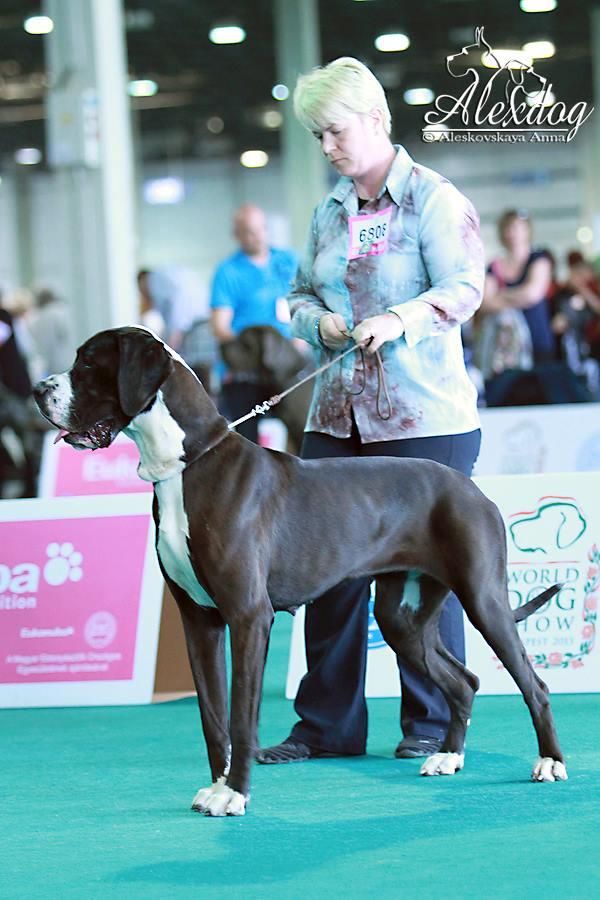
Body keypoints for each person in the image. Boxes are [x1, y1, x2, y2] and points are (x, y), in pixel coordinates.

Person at [257, 57, 484, 765]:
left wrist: (400, 318)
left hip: (427, 422)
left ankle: (432, 723)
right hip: (334, 419)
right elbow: (298, 295)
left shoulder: (434, 198)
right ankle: (326, 727)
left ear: (376, 118)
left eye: (335, 131)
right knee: (323, 572)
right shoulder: (327, 212)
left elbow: (467, 287)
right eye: (317, 136)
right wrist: (318, 323)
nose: (326, 147)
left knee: (428, 577)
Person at [210, 204, 298, 442]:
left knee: (301, 429)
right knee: (247, 440)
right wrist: (254, 346)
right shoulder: (228, 271)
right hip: (246, 371)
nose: (258, 236)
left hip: (285, 366)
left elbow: (305, 303)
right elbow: (220, 327)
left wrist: (300, 340)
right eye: (250, 231)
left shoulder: (288, 261)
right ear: (237, 235)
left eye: (262, 229)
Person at [478, 209, 554, 379]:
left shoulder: (539, 259)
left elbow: (532, 294)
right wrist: (518, 296)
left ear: (527, 230)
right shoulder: (494, 265)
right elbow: (484, 302)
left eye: (517, 227)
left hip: (537, 339)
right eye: (507, 228)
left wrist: (500, 295)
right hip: (503, 347)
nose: (512, 233)